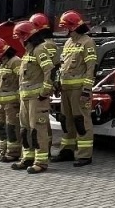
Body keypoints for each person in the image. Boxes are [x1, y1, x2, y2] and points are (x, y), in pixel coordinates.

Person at [15, 14, 58, 173]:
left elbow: (49, 70)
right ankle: (27, 157)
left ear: (26, 37)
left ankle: (41, 161)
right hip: (25, 97)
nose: (18, 40)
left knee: (37, 129)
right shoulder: (28, 52)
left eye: (20, 37)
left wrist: (44, 92)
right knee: (25, 129)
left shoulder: (40, 50)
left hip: (36, 98)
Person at [56, 10, 98, 167]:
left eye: (65, 27)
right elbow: (62, 66)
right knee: (66, 121)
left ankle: (84, 155)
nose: (64, 30)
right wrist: (57, 83)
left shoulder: (87, 42)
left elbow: (90, 68)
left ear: (73, 27)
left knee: (81, 121)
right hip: (65, 89)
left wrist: (87, 90)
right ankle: (67, 150)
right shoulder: (68, 43)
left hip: (79, 90)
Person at [0, 37, 19, 162]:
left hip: (12, 103)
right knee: (1, 127)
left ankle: (13, 152)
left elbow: (21, 80)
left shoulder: (15, 61)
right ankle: (3, 151)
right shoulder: (4, 62)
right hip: (1, 102)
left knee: (11, 128)